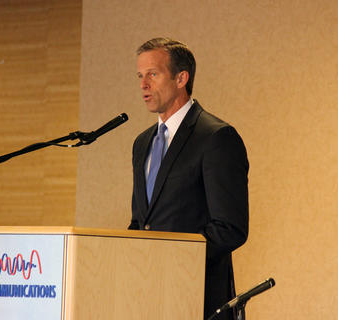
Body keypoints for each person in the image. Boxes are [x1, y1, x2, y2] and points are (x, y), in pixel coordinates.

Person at [129, 37, 249, 320]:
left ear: (181, 77)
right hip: (146, 296)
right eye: (140, 76)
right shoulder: (142, 143)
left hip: (197, 298)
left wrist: (169, 259)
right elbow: (140, 222)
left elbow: (230, 227)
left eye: (153, 74)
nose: (143, 85)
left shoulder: (216, 137)